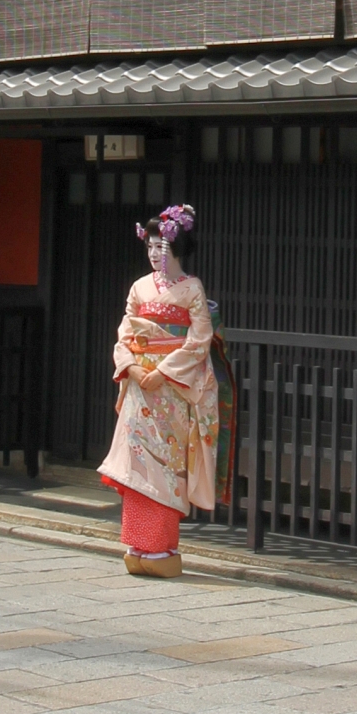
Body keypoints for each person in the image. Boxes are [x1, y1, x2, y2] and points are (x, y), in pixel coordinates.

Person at [99, 204, 235, 578]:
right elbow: (126, 332)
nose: (154, 253)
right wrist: (130, 366)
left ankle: (160, 547)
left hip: (172, 389)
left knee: (165, 464)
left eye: (161, 246)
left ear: (178, 247)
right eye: (150, 246)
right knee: (136, 465)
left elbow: (199, 340)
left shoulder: (192, 288)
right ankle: (136, 544)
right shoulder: (139, 287)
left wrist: (162, 371)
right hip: (139, 385)